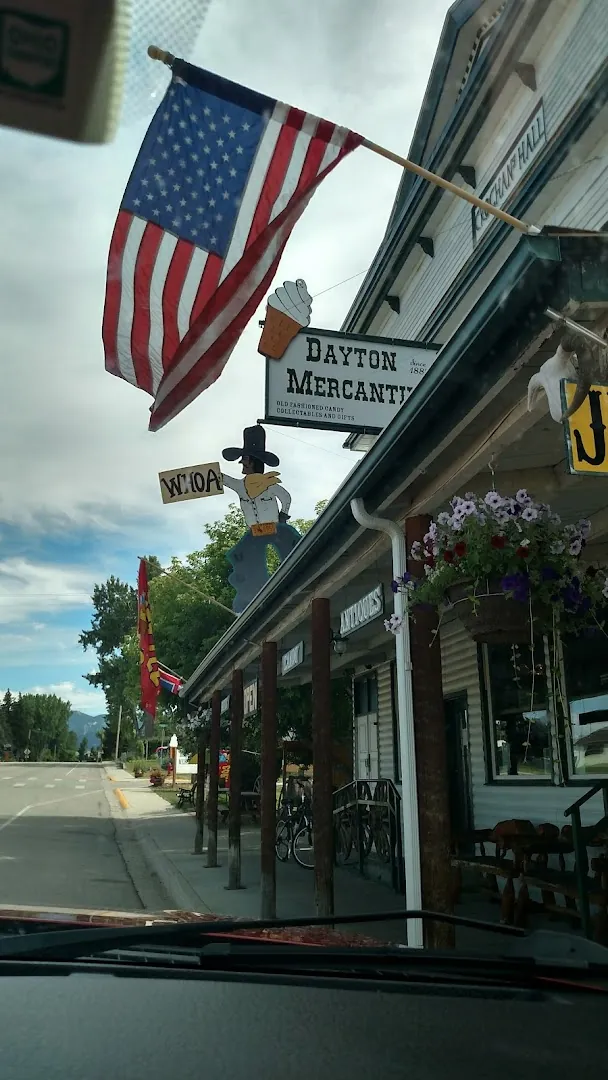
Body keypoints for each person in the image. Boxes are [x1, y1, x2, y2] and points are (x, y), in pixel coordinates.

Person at [221, 425, 301, 611]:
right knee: (242, 558)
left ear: (251, 462)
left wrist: (283, 516)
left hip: (274, 529)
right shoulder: (241, 486)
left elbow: (286, 497)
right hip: (254, 532)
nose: (242, 465)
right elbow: (223, 479)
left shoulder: (269, 483)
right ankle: (248, 598)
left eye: (245, 461)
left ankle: (292, 582)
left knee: (289, 553)